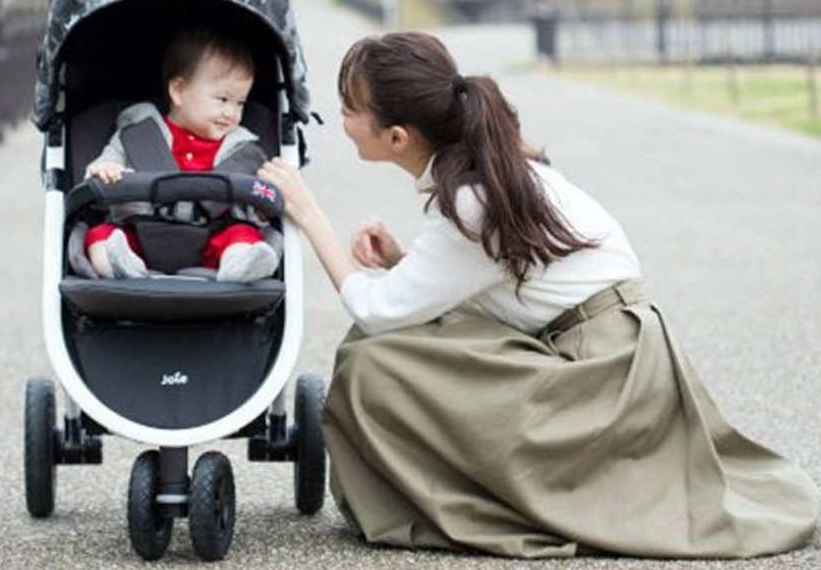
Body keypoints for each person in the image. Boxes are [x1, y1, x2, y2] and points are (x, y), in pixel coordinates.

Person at [257, 32, 820, 558]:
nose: (343, 120)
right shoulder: (493, 170)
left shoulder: (472, 200)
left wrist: (306, 213)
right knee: (382, 352)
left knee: (374, 364)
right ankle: (447, 491)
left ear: (397, 138)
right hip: (611, 349)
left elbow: (376, 311)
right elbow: (494, 281)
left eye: (351, 109)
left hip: (604, 373)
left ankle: (461, 503)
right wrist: (405, 263)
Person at [84, 26, 279, 282]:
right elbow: (107, 163)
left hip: (213, 238)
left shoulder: (242, 150)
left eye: (240, 103)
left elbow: (254, 206)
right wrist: (106, 169)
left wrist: (262, 210)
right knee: (99, 236)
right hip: (141, 232)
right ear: (178, 91)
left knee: (243, 235)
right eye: (222, 99)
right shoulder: (138, 135)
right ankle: (119, 265)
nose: (232, 112)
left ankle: (240, 267)